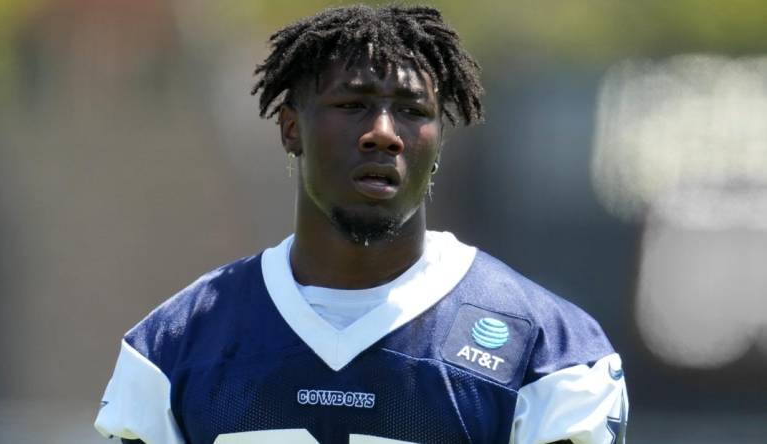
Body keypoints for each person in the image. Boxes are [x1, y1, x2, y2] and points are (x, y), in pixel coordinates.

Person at [94, 4, 628, 444]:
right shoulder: (174, 346)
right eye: (352, 104)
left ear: (438, 139)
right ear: (290, 128)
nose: (382, 133)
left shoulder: (549, 353)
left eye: (412, 111)